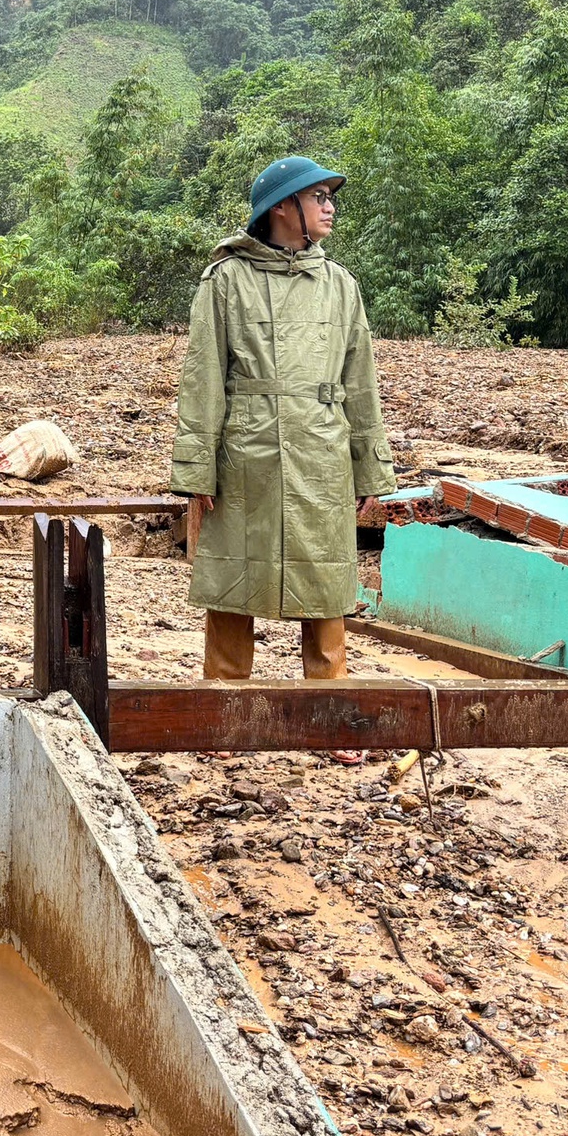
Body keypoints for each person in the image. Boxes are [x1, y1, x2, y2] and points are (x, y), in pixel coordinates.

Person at [168, 155, 396, 748]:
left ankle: (332, 719)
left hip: (321, 447)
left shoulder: (341, 286)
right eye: (318, 195)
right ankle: (222, 713)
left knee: (326, 589)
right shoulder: (225, 282)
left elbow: (360, 379)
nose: (330, 206)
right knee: (230, 584)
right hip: (245, 450)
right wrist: (196, 470)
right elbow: (203, 378)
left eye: (328, 196)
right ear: (281, 208)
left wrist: (369, 464)